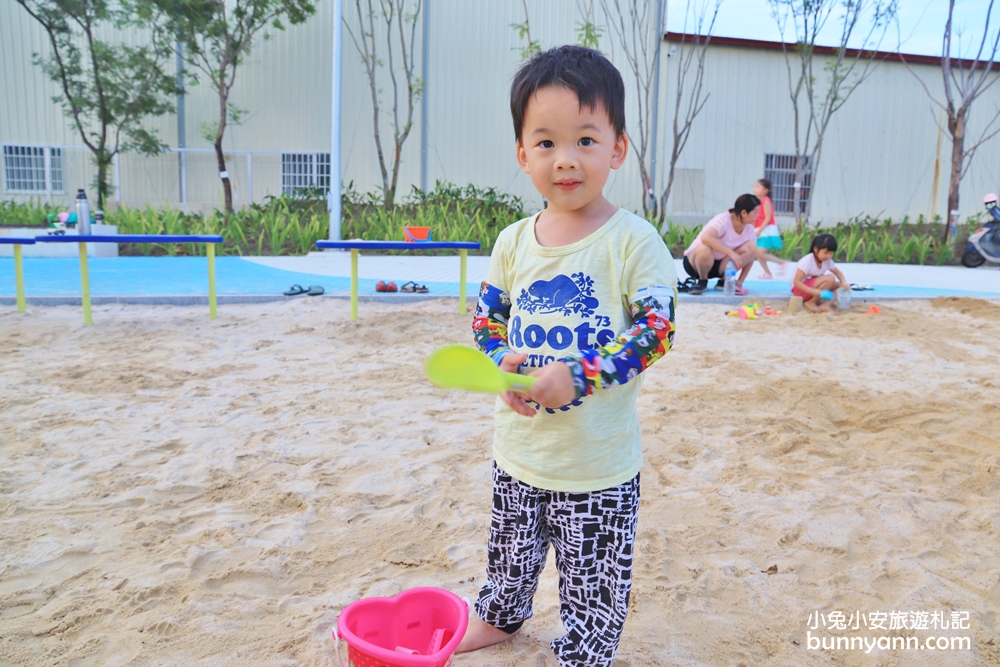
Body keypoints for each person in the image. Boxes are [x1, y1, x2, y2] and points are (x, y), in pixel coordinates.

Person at [463, 45, 677, 667]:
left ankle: (583, 652)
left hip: (598, 464)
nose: (566, 160)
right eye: (547, 142)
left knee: (594, 580)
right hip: (520, 446)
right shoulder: (512, 242)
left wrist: (581, 375)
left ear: (617, 148)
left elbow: (657, 333)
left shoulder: (634, 242)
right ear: (523, 154)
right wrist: (500, 359)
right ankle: (500, 617)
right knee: (510, 549)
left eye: (585, 140)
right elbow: (486, 317)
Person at [682, 194, 759, 295]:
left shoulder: (749, 229)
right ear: (744, 213)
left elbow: (751, 257)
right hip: (696, 263)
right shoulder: (723, 220)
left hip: (721, 266)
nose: (757, 216)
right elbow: (706, 238)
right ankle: (702, 281)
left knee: (752, 247)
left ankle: (724, 281)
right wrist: (732, 253)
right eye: (755, 212)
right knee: (705, 249)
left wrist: (739, 282)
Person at [792, 233, 848, 313]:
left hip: (813, 289)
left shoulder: (827, 261)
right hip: (800, 290)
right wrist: (811, 291)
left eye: (831, 253)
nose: (828, 256)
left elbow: (838, 273)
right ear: (816, 249)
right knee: (830, 278)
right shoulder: (807, 261)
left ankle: (826, 305)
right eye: (825, 253)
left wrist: (844, 282)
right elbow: (796, 282)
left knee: (840, 285)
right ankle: (811, 302)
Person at [752, 178, 787, 278]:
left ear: (766, 190)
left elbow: (768, 217)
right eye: (755, 187)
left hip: (766, 231)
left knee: (760, 253)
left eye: (758, 187)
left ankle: (781, 262)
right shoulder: (759, 201)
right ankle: (768, 273)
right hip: (761, 230)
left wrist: (759, 230)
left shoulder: (765, 200)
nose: (755, 189)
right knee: (758, 254)